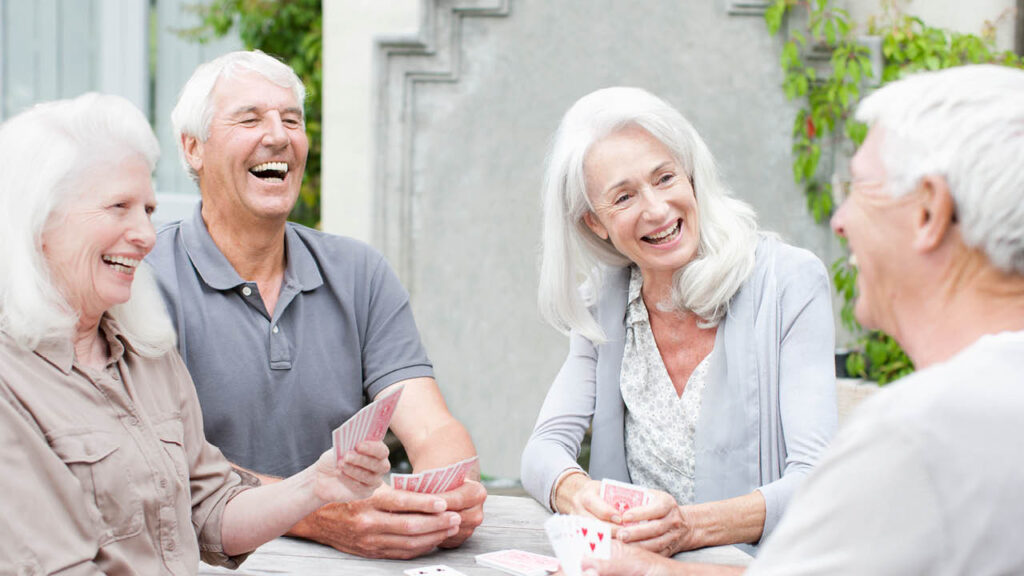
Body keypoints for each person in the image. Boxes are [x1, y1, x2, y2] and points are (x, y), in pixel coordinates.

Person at [580, 64, 1024, 576]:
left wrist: (645, 568)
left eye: (860, 186)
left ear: (929, 214)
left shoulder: (921, 436)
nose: (840, 220)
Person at [0, 93, 390, 575]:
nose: (145, 234)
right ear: (40, 223)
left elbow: (212, 509)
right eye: (118, 207)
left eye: (147, 209)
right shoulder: (11, 379)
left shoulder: (145, 350)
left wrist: (317, 484)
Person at [145, 50, 485, 560]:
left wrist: (447, 496)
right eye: (250, 118)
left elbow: (431, 424)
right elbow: (164, 467)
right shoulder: (144, 281)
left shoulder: (359, 272)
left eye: (291, 119)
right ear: (193, 148)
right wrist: (318, 514)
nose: (279, 136)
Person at [521, 86, 837, 556]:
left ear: (690, 176)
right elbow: (543, 449)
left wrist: (687, 528)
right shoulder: (603, 304)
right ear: (595, 223)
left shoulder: (788, 280)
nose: (656, 209)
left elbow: (818, 481)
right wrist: (578, 492)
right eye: (623, 197)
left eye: (665, 178)